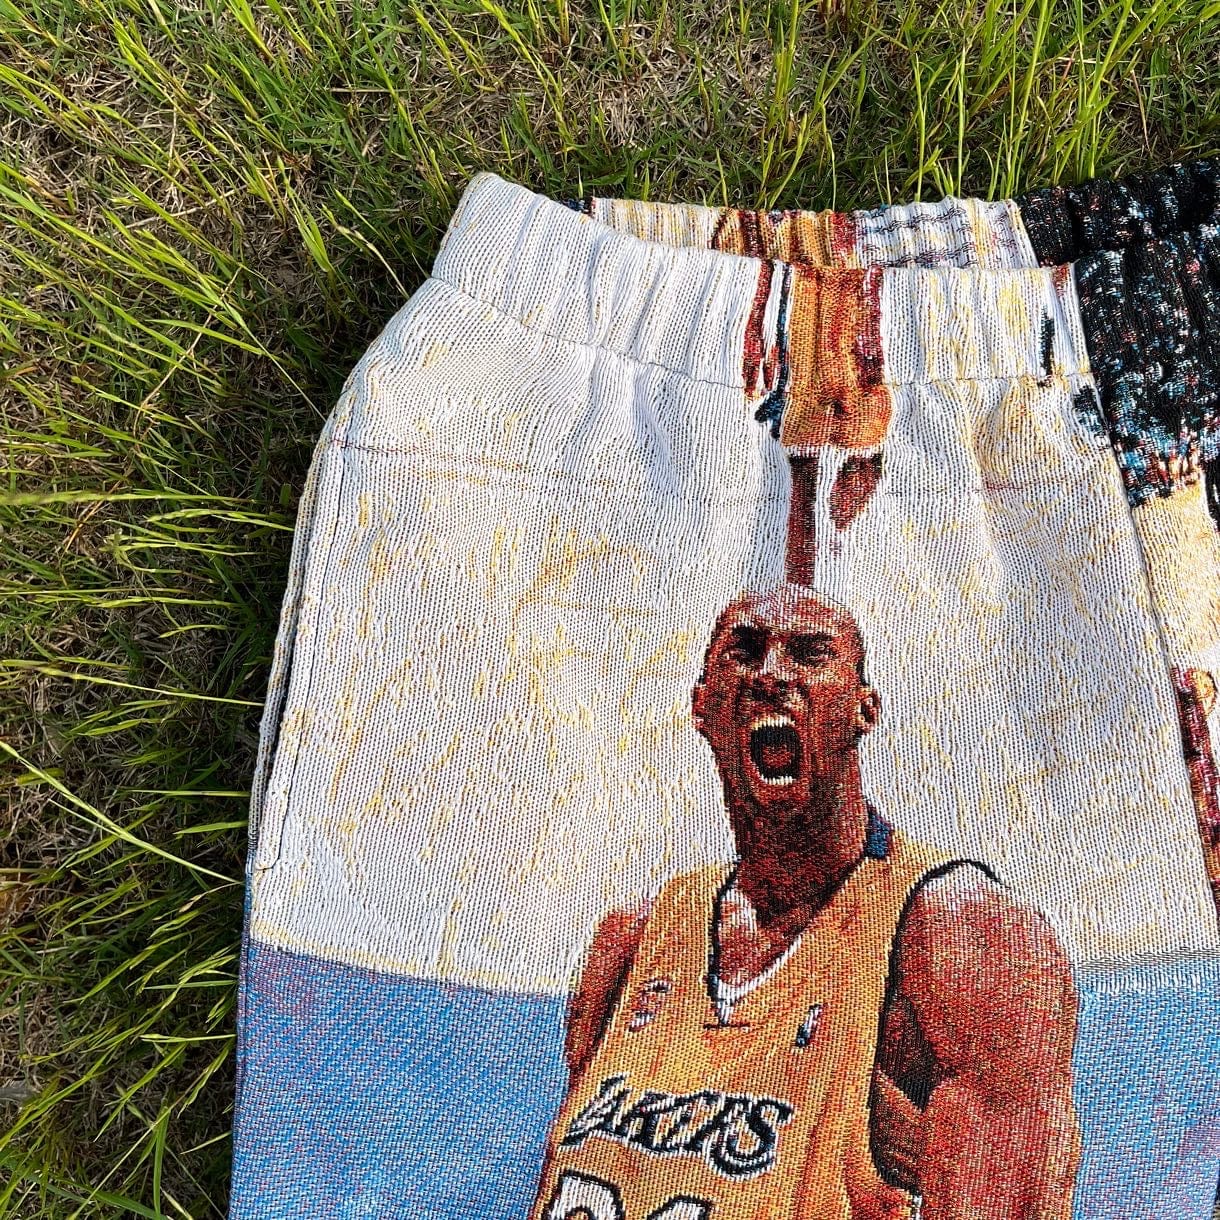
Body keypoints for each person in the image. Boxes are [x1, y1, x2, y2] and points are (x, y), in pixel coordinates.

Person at [529, 583, 1081, 1220]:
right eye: (744, 650)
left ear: (863, 709)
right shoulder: (634, 941)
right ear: (702, 707)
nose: (770, 675)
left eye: (810, 654)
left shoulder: (964, 937)